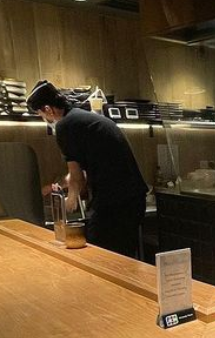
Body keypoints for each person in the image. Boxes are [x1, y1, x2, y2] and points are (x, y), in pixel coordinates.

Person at [27, 80, 148, 258]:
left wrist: (70, 201)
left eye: (40, 114)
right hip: (132, 199)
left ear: (48, 109)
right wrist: (59, 187)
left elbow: (77, 178)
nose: (43, 119)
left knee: (101, 257)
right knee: (120, 258)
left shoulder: (65, 126)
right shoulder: (81, 119)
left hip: (116, 203)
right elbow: (77, 173)